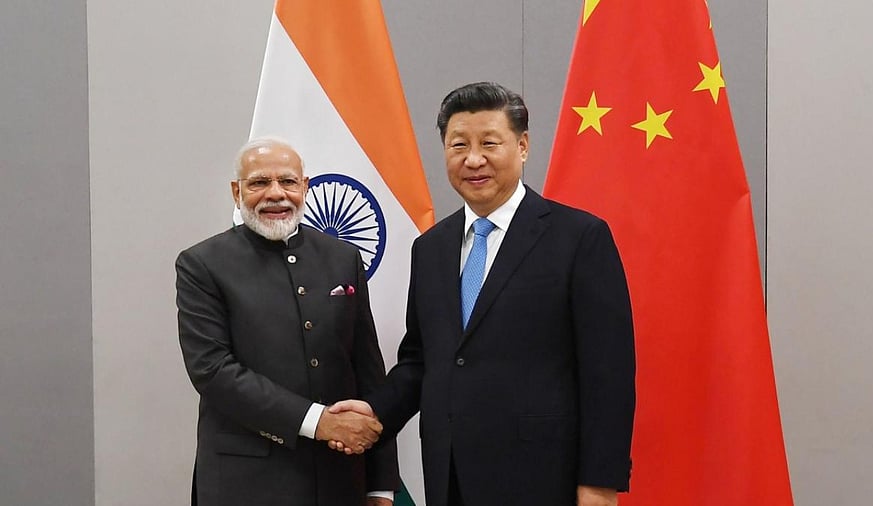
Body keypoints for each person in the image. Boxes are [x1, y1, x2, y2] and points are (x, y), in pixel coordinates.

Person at [330, 82, 636, 506]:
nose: (474, 159)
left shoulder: (579, 238)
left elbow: (609, 373)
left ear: (523, 146)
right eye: (458, 145)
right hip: (450, 474)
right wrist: (375, 413)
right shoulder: (431, 248)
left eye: (490, 143)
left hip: (544, 477)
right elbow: (422, 359)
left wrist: (600, 483)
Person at [176, 138, 399, 506]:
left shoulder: (343, 258)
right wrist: (317, 422)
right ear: (237, 192)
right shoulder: (202, 264)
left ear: (306, 187)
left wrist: (380, 483)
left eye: (288, 182)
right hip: (244, 482)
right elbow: (212, 371)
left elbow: (367, 370)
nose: (276, 194)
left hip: (338, 478)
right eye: (259, 183)